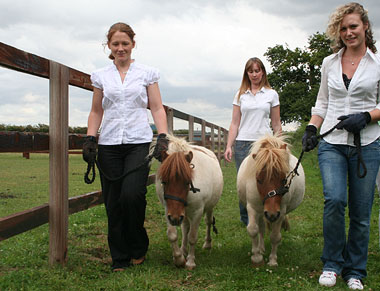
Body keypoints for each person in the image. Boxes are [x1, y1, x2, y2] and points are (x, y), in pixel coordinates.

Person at [302, 3, 380, 289]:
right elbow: (323, 101)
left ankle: (355, 270)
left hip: (367, 144)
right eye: (343, 28)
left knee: (361, 211)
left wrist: (367, 116)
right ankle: (332, 263)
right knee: (334, 200)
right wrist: (312, 127)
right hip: (332, 142)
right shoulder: (329, 63)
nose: (349, 32)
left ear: (365, 27)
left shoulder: (377, 62)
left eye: (353, 27)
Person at [82, 22, 168, 272]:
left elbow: (157, 107)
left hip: (138, 142)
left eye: (125, 44)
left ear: (133, 44)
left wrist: (162, 135)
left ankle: (138, 245)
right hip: (109, 144)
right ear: (109, 46)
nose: (121, 48)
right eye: (116, 44)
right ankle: (119, 257)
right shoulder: (101, 76)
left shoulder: (147, 73)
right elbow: (96, 110)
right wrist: (90, 138)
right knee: (113, 202)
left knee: (132, 196)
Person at [224, 57, 282, 225]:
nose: (254, 74)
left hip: (265, 144)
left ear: (262, 72)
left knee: (267, 181)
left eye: (257, 71)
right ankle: (246, 218)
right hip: (243, 143)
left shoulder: (271, 94)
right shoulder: (240, 95)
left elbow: (276, 123)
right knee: (244, 183)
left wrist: (279, 146)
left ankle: (268, 213)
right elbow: (235, 123)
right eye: (251, 71)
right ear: (247, 74)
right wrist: (229, 145)